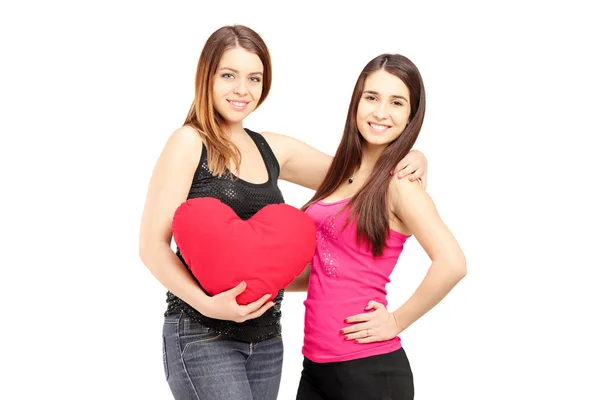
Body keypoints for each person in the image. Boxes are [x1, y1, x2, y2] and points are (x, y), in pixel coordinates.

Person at [138, 25, 429, 400]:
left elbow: (359, 178)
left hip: (266, 341)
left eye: (254, 78)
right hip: (202, 333)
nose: (242, 89)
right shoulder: (188, 143)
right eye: (229, 75)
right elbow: (151, 247)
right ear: (206, 77)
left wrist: (413, 155)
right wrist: (208, 304)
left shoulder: (271, 149)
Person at [294, 53, 467, 400]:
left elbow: (453, 263)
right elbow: (328, 270)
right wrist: (266, 283)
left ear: (410, 116)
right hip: (315, 367)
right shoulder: (340, 176)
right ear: (356, 102)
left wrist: (397, 321)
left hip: (370, 371)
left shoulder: (400, 184)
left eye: (396, 102)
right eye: (371, 97)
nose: (380, 112)